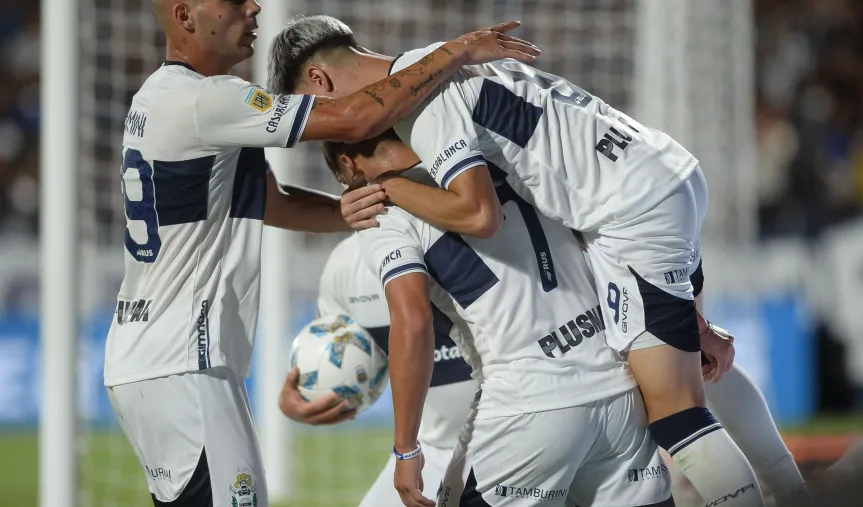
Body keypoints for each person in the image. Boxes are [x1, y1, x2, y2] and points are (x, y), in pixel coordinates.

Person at [268, 15, 810, 507]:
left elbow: (471, 229)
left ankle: (791, 493)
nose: (330, 125)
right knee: (689, 375)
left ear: (320, 86)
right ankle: (788, 485)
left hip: (527, 401)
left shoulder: (415, 134)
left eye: (323, 119)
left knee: (680, 411)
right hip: (647, 201)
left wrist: (384, 188)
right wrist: (688, 316)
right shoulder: (443, 85)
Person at [103, 1, 540, 505]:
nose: (254, 6)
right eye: (232, 1)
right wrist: (456, 51)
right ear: (185, 17)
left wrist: (382, 207)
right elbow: (356, 118)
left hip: (148, 358)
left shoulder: (162, 98)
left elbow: (274, 203)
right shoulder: (208, 101)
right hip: (183, 359)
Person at [319, 130, 675, 507]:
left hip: (526, 405)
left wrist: (406, 449)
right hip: (619, 396)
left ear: (349, 164)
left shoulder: (383, 210)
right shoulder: (501, 159)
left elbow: (413, 322)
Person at [278, 232, 479, 507]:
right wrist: (306, 393)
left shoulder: (469, 239)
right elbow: (333, 359)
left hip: (509, 434)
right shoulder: (345, 263)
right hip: (431, 450)